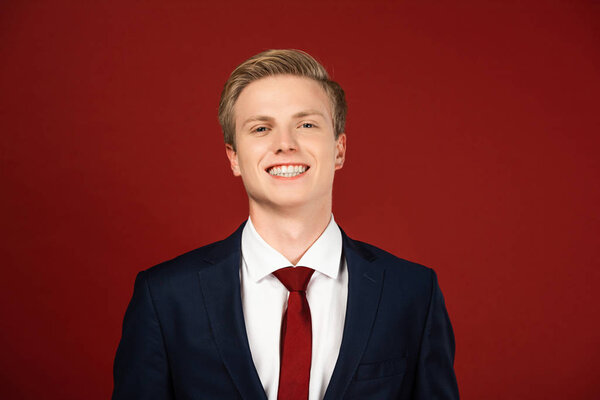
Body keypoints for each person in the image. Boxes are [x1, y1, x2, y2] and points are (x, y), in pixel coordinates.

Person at [112, 49, 459, 400]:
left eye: (306, 125)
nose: (285, 145)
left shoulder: (413, 293)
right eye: (262, 128)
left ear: (339, 149)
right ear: (233, 157)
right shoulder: (165, 296)